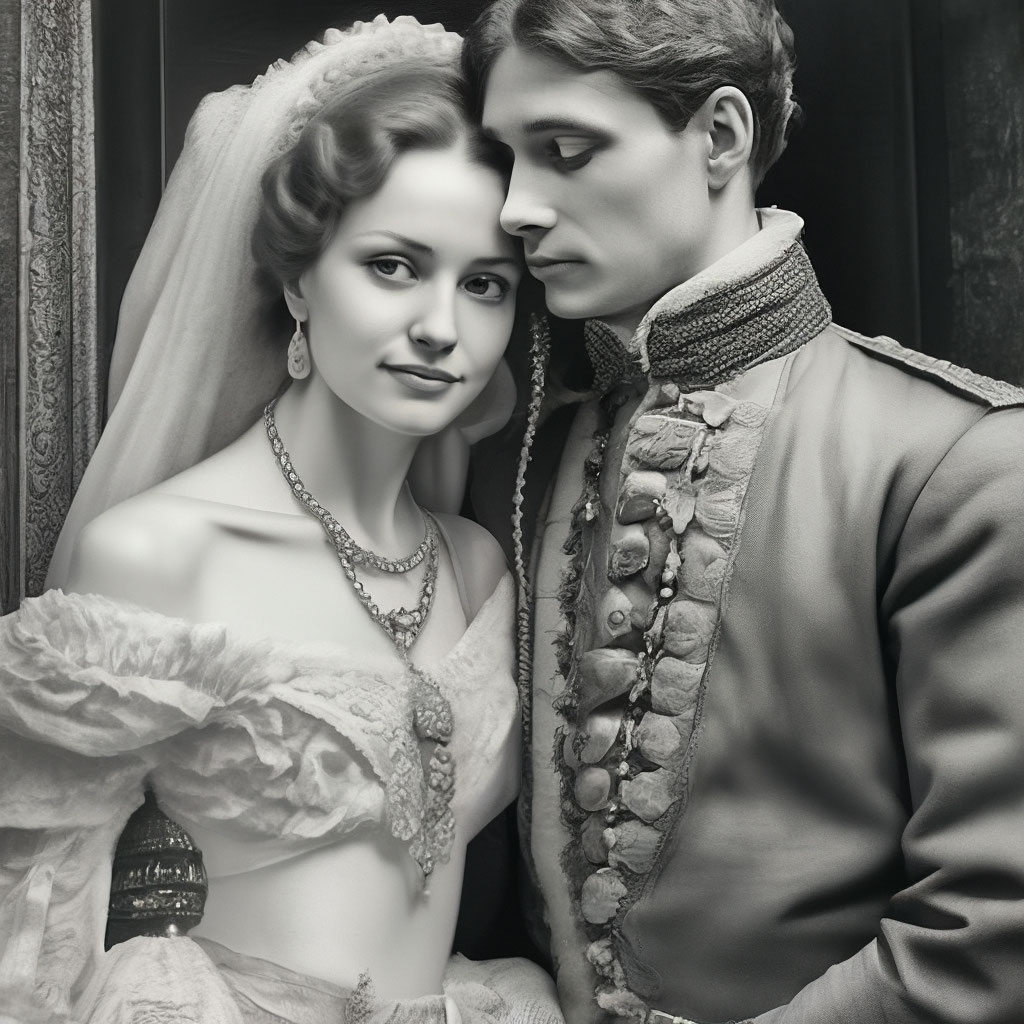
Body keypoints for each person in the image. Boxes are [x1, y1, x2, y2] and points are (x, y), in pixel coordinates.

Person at [461, 1, 1024, 1022]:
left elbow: (992, 921)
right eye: (506, 158)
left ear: (720, 135)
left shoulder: (954, 457)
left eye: (566, 150)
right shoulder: (518, 458)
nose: (517, 207)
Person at [0, 17, 562, 1024]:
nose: (441, 328)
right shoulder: (160, 554)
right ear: (300, 279)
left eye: (484, 284)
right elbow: (36, 925)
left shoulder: (476, 565)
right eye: (393, 265)